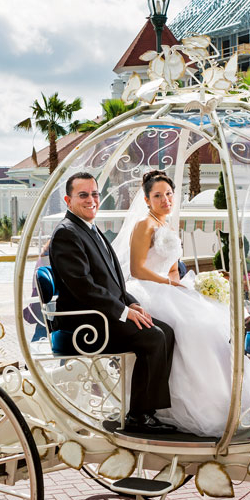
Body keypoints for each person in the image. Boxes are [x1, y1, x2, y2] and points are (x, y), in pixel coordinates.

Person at [112, 170, 250, 436]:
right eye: (157, 195)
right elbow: (136, 269)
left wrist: (187, 285)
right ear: (146, 200)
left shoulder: (166, 224)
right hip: (148, 290)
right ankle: (181, 406)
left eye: (168, 194)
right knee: (191, 326)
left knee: (214, 321)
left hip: (168, 287)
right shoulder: (144, 225)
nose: (165, 199)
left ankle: (222, 399)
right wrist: (169, 284)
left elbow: (169, 267)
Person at [48, 172, 177, 433]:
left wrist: (132, 302)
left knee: (168, 331)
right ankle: (138, 417)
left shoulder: (89, 228)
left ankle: (149, 410)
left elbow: (112, 281)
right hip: (86, 322)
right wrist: (122, 312)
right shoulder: (66, 233)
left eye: (94, 194)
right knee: (153, 338)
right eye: (83, 195)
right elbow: (83, 288)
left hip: (102, 313)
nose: (91, 200)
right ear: (68, 200)